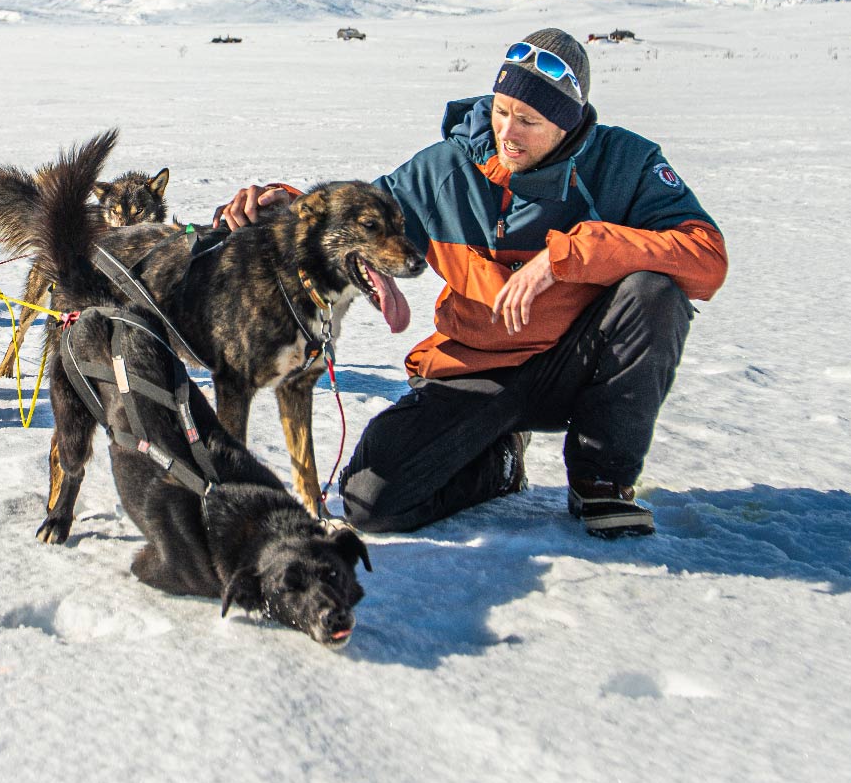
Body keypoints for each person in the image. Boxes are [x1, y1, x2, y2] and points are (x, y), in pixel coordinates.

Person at [216, 28, 726, 538]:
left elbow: (706, 256)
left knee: (654, 292)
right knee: (372, 503)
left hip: (580, 366)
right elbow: (358, 218)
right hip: (477, 366)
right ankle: (501, 460)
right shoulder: (449, 167)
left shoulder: (625, 164)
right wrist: (285, 207)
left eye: (528, 120)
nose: (509, 132)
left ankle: (601, 478)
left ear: (568, 124)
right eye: (502, 110)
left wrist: (568, 255)